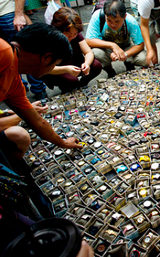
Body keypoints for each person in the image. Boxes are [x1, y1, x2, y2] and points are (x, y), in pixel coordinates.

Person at [0, 23, 82, 164]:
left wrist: (63, 143)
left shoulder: (15, 80)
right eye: (55, 64)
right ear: (47, 58)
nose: (53, 68)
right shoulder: (4, 53)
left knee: (19, 136)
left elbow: (37, 122)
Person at [41, 7, 102, 93]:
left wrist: (86, 64)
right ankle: (66, 88)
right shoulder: (50, 39)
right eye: (68, 34)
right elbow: (45, 68)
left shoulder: (76, 35)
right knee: (71, 80)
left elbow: (88, 52)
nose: (72, 37)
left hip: (74, 63)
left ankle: (82, 85)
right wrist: (66, 69)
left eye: (75, 34)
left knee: (96, 65)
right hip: (57, 70)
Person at [0, 0, 48, 100]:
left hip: (7, 12)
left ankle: (38, 88)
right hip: (7, 14)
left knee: (26, 53)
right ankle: (18, 89)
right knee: (6, 59)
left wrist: (19, 13)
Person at [85, 0, 146, 78]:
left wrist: (125, 54)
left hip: (125, 47)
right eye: (109, 20)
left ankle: (129, 63)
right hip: (106, 48)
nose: (113, 24)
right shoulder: (98, 16)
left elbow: (140, 44)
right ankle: (109, 70)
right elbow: (89, 40)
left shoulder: (130, 21)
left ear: (124, 17)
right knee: (96, 53)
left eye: (117, 21)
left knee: (144, 58)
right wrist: (113, 46)